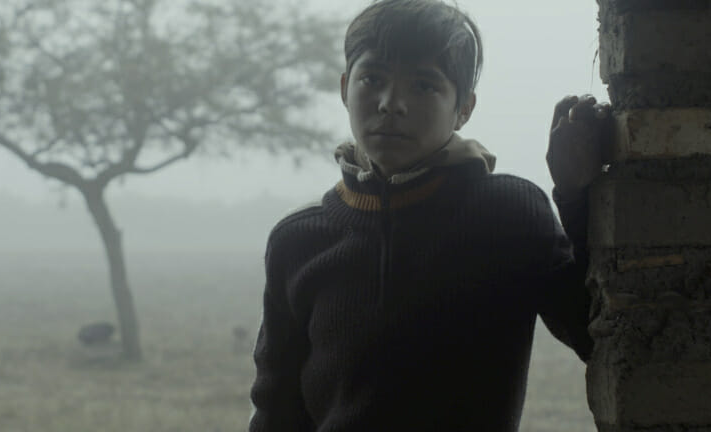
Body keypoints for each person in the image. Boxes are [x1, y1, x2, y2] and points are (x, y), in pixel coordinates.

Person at [249, 1, 610, 430]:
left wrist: (576, 196)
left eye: (423, 86)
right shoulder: (298, 241)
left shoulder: (510, 214)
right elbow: (276, 411)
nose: (390, 103)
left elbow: (593, 331)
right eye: (372, 79)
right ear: (345, 87)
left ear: (464, 109)